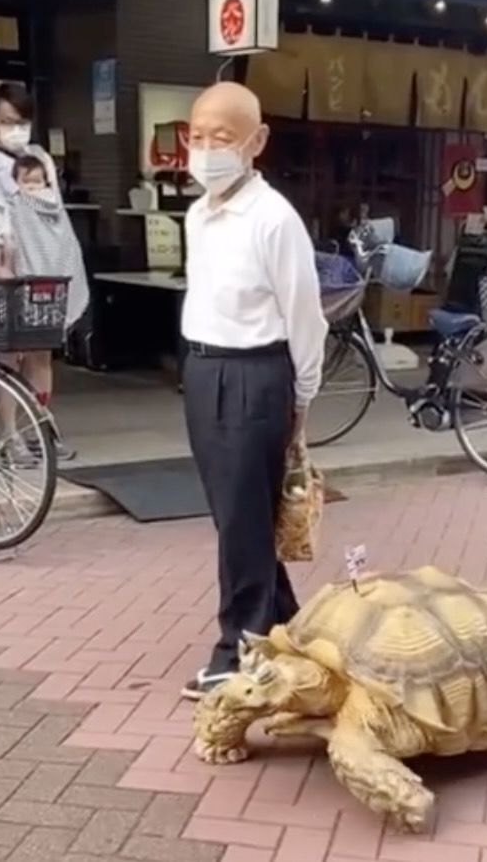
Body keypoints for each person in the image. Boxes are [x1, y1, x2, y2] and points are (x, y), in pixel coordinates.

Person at [180, 82, 328, 700]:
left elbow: (305, 316)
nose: (208, 149)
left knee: (243, 518)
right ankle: (286, 620)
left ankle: (238, 647)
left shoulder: (274, 219)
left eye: (225, 137)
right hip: (203, 369)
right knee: (234, 514)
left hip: (256, 376)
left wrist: (301, 399)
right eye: (198, 135)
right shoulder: (198, 212)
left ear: (256, 142)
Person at [0, 83, 82, 460]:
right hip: (6, 272)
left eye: (22, 121)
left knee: (41, 353)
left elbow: (53, 213)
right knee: (8, 357)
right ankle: (10, 436)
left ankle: (40, 429)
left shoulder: (40, 160)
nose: (16, 129)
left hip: (43, 271)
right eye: (8, 121)